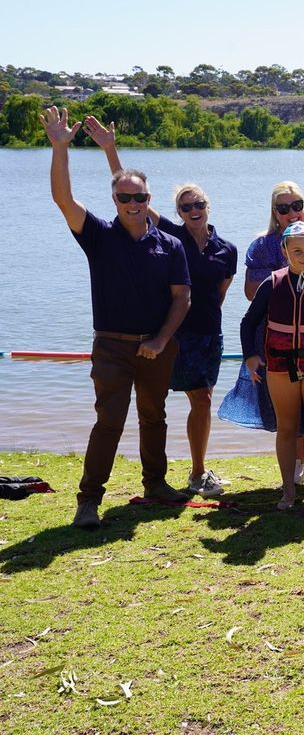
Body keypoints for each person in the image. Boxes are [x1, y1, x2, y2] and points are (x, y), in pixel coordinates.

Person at [40, 106, 192, 529]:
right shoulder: (99, 237)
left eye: (139, 197)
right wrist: (60, 149)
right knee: (109, 421)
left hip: (156, 348)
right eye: (124, 197)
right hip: (111, 346)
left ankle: (156, 484)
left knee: (154, 416)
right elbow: (63, 199)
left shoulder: (170, 245)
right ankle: (88, 500)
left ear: (149, 200)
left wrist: (161, 340)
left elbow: (182, 298)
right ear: (114, 201)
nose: (132, 203)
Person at [85, 117, 237, 498]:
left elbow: (220, 293)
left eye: (199, 203)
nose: (193, 209)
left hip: (205, 332)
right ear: (178, 211)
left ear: (208, 205)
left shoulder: (227, 250)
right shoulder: (170, 235)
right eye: (186, 206)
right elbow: (130, 198)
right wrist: (109, 149)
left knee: (196, 401)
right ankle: (142, 479)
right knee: (149, 409)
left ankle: (196, 472)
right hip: (171, 332)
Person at [240, 222, 304, 511]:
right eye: (297, 250)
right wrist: (250, 355)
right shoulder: (272, 283)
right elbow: (248, 322)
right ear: (285, 251)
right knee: (286, 429)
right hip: (279, 367)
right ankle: (288, 491)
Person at [243, 181, 304, 483]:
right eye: (283, 208)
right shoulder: (263, 246)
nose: (292, 212)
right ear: (274, 213)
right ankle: (295, 469)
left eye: (296, 205)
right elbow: (251, 292)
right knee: (288, 413)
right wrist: (286, 271)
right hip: (274, 337)